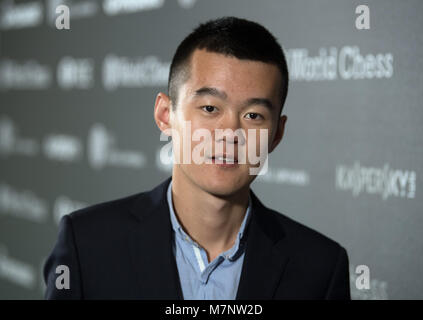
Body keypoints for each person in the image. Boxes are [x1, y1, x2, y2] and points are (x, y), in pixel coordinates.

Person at [44, 16, 350, 300]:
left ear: (276, 135)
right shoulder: (87, 246)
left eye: (254, 115)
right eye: (209, 109)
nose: (230, 132)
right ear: (166, 115)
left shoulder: (320, 267)